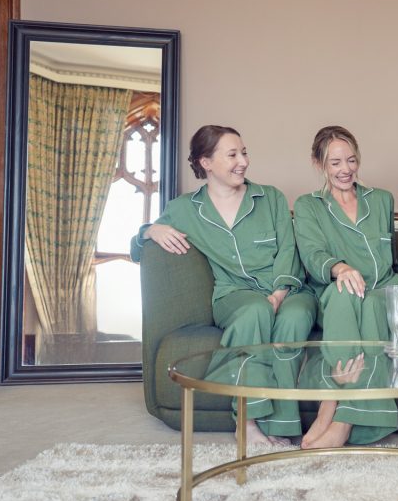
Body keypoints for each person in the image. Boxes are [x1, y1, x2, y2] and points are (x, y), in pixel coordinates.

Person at [131, 125, 316, 445]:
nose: (242, 161)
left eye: (244, 153)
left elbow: (288, 250)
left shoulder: (270, 197)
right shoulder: (186, 209)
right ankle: (247, 421)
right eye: (232, 155)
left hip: (291, 290)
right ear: (206, 162)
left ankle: (283, 422)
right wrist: (149, 231)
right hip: (234, 295)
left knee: (295, 317)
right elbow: (136, 250)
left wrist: (280, 292)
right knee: (254, 312)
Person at [293, 126, 398, 449]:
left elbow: (392, 260)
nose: (345, 170)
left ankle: (342, 419)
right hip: (337, 288)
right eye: (335, 163)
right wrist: (339, 267)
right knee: (346, 294)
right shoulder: (308, 205)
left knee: (372, 304)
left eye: (351, 160)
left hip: (383, 287)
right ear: (319, 164)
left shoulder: (381, 199)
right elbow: (312, 253)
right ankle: (332, 402)